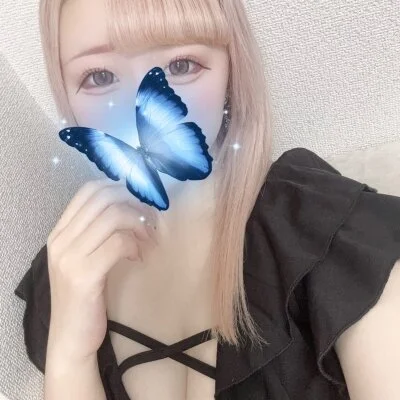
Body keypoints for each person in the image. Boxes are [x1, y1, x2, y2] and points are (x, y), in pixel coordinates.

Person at [13, 0, 400, 399]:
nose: (131, 110)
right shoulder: (66, 274)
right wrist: (70, 356)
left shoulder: (321, 227)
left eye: (182, 65)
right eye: (100, 76)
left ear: (232, 71)